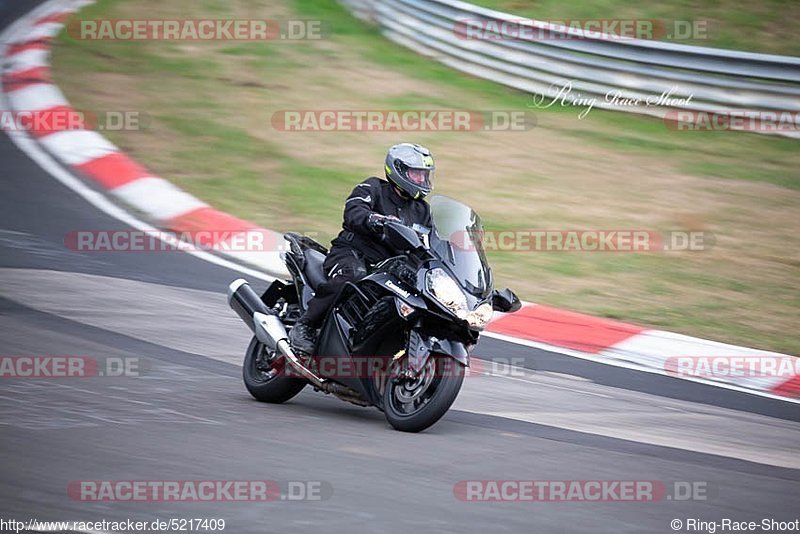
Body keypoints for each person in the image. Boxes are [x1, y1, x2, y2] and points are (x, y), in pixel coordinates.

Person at [288, 143, 436, 356]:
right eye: (416, 174)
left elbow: (430, 243)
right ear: (398, 170)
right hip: (351, 253)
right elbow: (353, 210)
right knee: (352, 276)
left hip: (389, 268)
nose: (422, 180)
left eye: (424, 175)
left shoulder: (423, 210)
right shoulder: (374, 188)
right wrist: (373, 219)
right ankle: (305, 326)